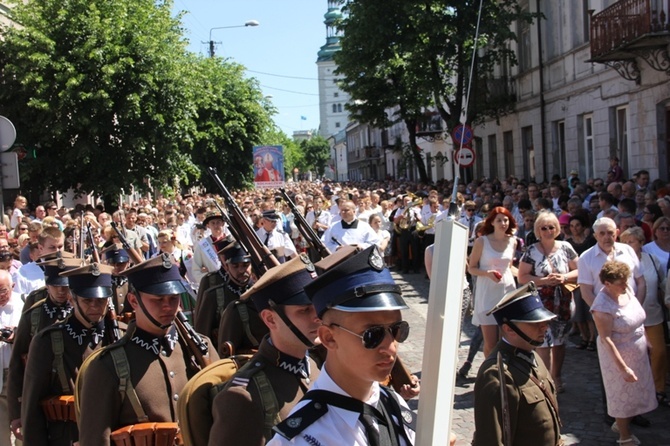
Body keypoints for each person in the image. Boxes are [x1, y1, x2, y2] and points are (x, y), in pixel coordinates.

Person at [270, 246, 416, 445]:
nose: (390, 347)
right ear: (329, 338)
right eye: (372, 335)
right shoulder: (304, 438)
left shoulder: (392, 403)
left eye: (398, 330)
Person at [77, 254, 219, 445]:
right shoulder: (106, 366)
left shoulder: (201, 348)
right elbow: (95, 439)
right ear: (134, 301)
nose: (168, 306)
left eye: (174, 298)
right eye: (158, 299)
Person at [208, 255, 320, 445]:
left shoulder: (312, 366)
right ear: (270, 319)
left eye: (316, 306)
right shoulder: (243, 396)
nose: (317, 316)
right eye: (304, 310)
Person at [21, 263, 117, 445]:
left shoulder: (120, 334)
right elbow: (32, 407)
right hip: (67, 436)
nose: (95, 306)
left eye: (101, 300)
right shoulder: (47, 341)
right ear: (72, 300)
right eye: (87, 300)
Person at [472, 282, 561, 446]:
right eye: (535, 323)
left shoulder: (532, 354)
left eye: (545, 322)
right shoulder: (497, 374)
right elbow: (490, 439)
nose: (544, 327)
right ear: (509, 329)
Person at [8, 257, 80, 442]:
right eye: (56, 285)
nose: (62, 290)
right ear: (47, 284)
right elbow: (17, 363)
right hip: (42, 397)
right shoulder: (34, 315)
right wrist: (17, 412)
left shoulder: (81, 314)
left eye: (66, 286)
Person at [591, 261, 657, 445]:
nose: (625, 285)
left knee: (636, 392)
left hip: (638, 351)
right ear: (607, 284)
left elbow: (637, 318)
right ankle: (624, 436)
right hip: (617, 355)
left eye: (625, 281)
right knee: (621, 396)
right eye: (620, 282)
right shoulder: (601, 307)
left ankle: (622, 424)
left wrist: (647, 342)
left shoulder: (625, 290)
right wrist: (623, 368)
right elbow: (606, 339)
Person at [517, 211, 579, 393]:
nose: (548, 231)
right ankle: (545, 379)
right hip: (541, 303)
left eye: (551, 227)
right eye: (543, 228)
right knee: (543, 342)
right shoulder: (532, 250)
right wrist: (544, 281)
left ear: (557, 229)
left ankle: (557, 375)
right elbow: (522, 277)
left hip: (563, 302)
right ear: (538, 230)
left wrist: (564, 277)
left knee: (560, 341)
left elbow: (581, 270)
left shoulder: (566, 247)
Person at [619, 227, 670, 408]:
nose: (628, 245)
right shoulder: (619, 262)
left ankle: (659, 389)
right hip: (628, 318)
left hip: (653, 314)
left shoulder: (651, 259)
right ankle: (638, 389)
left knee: (659, 352)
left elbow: (663, 283)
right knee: (635, 356)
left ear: (641, 243)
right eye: (625, 241)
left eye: (632, 241)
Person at [468, 206, 518, 357]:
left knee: (506, 338)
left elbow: (509, 267)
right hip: (487, 290)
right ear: (492, 222)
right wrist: (486, 273)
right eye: (499, 220)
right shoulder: (482, 241)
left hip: (507, 290)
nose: (503, 223)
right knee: (490, 342)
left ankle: (503, 371)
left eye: (506, 220)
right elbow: (471, 268)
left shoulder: (513, 241)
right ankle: (489, 371)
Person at [194, 242, 252, 350]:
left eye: (245, 265)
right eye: (235, 266)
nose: (241, 270)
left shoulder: (260, 292)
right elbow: (202, 334)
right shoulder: (213, 296)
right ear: (226, 266)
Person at [0, 271, 23, 446]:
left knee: (23, 431)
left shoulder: (23, 305)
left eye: (2, 290)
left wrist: (17, 335)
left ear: (12, 287)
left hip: (16, 374)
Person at [14, 227, 65, 296]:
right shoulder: (23, 273)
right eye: (52, 247)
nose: (57, 251)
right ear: (40, 248)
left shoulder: (70, 269)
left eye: (60, 246)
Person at [192, 210, 229, 286]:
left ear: (223, 223)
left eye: (218, 222)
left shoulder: (231, 241)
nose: (216, 226)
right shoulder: (202, 245)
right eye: (213, 223)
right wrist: (210, 279)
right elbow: (196, 270)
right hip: (214, 285)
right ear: (208, 225)